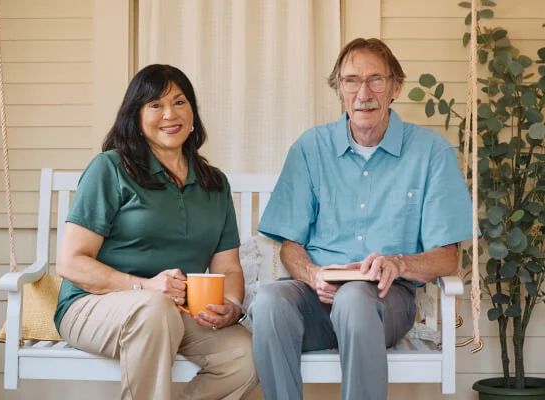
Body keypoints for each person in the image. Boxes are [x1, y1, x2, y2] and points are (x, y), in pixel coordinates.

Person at [248, 38, 473, 400]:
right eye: (351, 80)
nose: (363, 92)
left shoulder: (431, 152)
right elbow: (291, 247)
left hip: (385, 301)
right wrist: (312, 274)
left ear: (395, 87)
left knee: (355, 298)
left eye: (375, 80)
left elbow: (447, 257)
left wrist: (396, 263)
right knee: (269, 302)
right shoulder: (310, 148)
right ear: (339, 89)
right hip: (315, 298)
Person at [54, 64, 257, 400]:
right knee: (154, 309)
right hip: (93, 306)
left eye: (179, 102)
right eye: (155, 105)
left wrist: (233, 305)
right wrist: (145, 286)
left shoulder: (213, 183)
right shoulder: (110, 168)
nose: (169, 114)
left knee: (246, 356)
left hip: (174, 312)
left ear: (193, 113)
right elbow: (71, 263)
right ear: (136, 116)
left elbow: (229, 266)